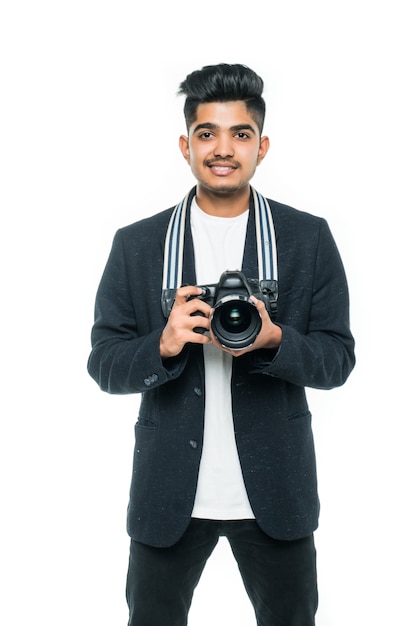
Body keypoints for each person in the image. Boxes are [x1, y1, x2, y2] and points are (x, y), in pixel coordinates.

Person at [87, 63, 355, 626]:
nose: (222, 148)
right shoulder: (138, 245)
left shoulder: (306, 239)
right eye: (207, 133)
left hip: (276, 494)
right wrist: (161, 345)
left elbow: (337, 361)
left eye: (240, 133)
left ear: (263, 145)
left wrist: (275, 338)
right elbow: (104, 365)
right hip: (168, 497)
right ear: (186, 145)